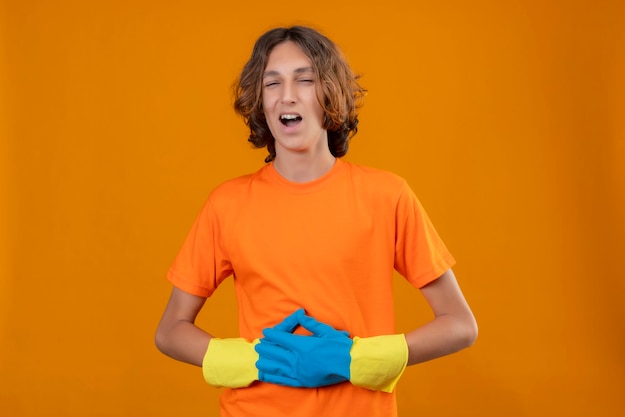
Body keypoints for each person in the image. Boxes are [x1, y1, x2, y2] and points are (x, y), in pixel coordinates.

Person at [155, 25, 477, 417]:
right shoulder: (227, 204)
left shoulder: (387, 196)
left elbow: (460, 324)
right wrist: (251, 360)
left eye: (304, 80)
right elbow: (170, 330)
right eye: (272, 83)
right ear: (260, 102)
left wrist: (359, 359)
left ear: (330, 94)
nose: (287, 95)